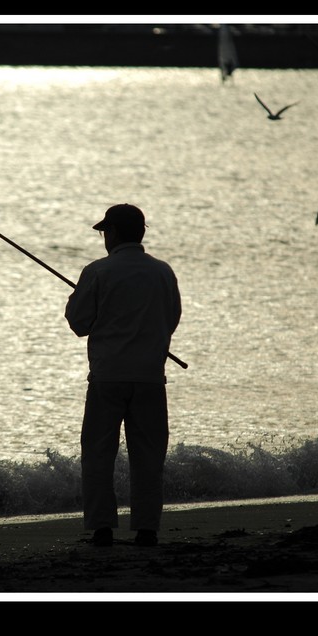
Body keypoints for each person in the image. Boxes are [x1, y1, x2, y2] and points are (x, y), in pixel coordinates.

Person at [64, 204, 182, 547]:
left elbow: (79, 323)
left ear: (113, 233)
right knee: (148, 456)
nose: (103, 238)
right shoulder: (163, 272)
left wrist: (78, 297)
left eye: (105, 232)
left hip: (107, 377)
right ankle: (147, 529)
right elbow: (171, 318)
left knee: (99, 453)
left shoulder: (97, 271)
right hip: (149, 377)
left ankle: (102, 529)